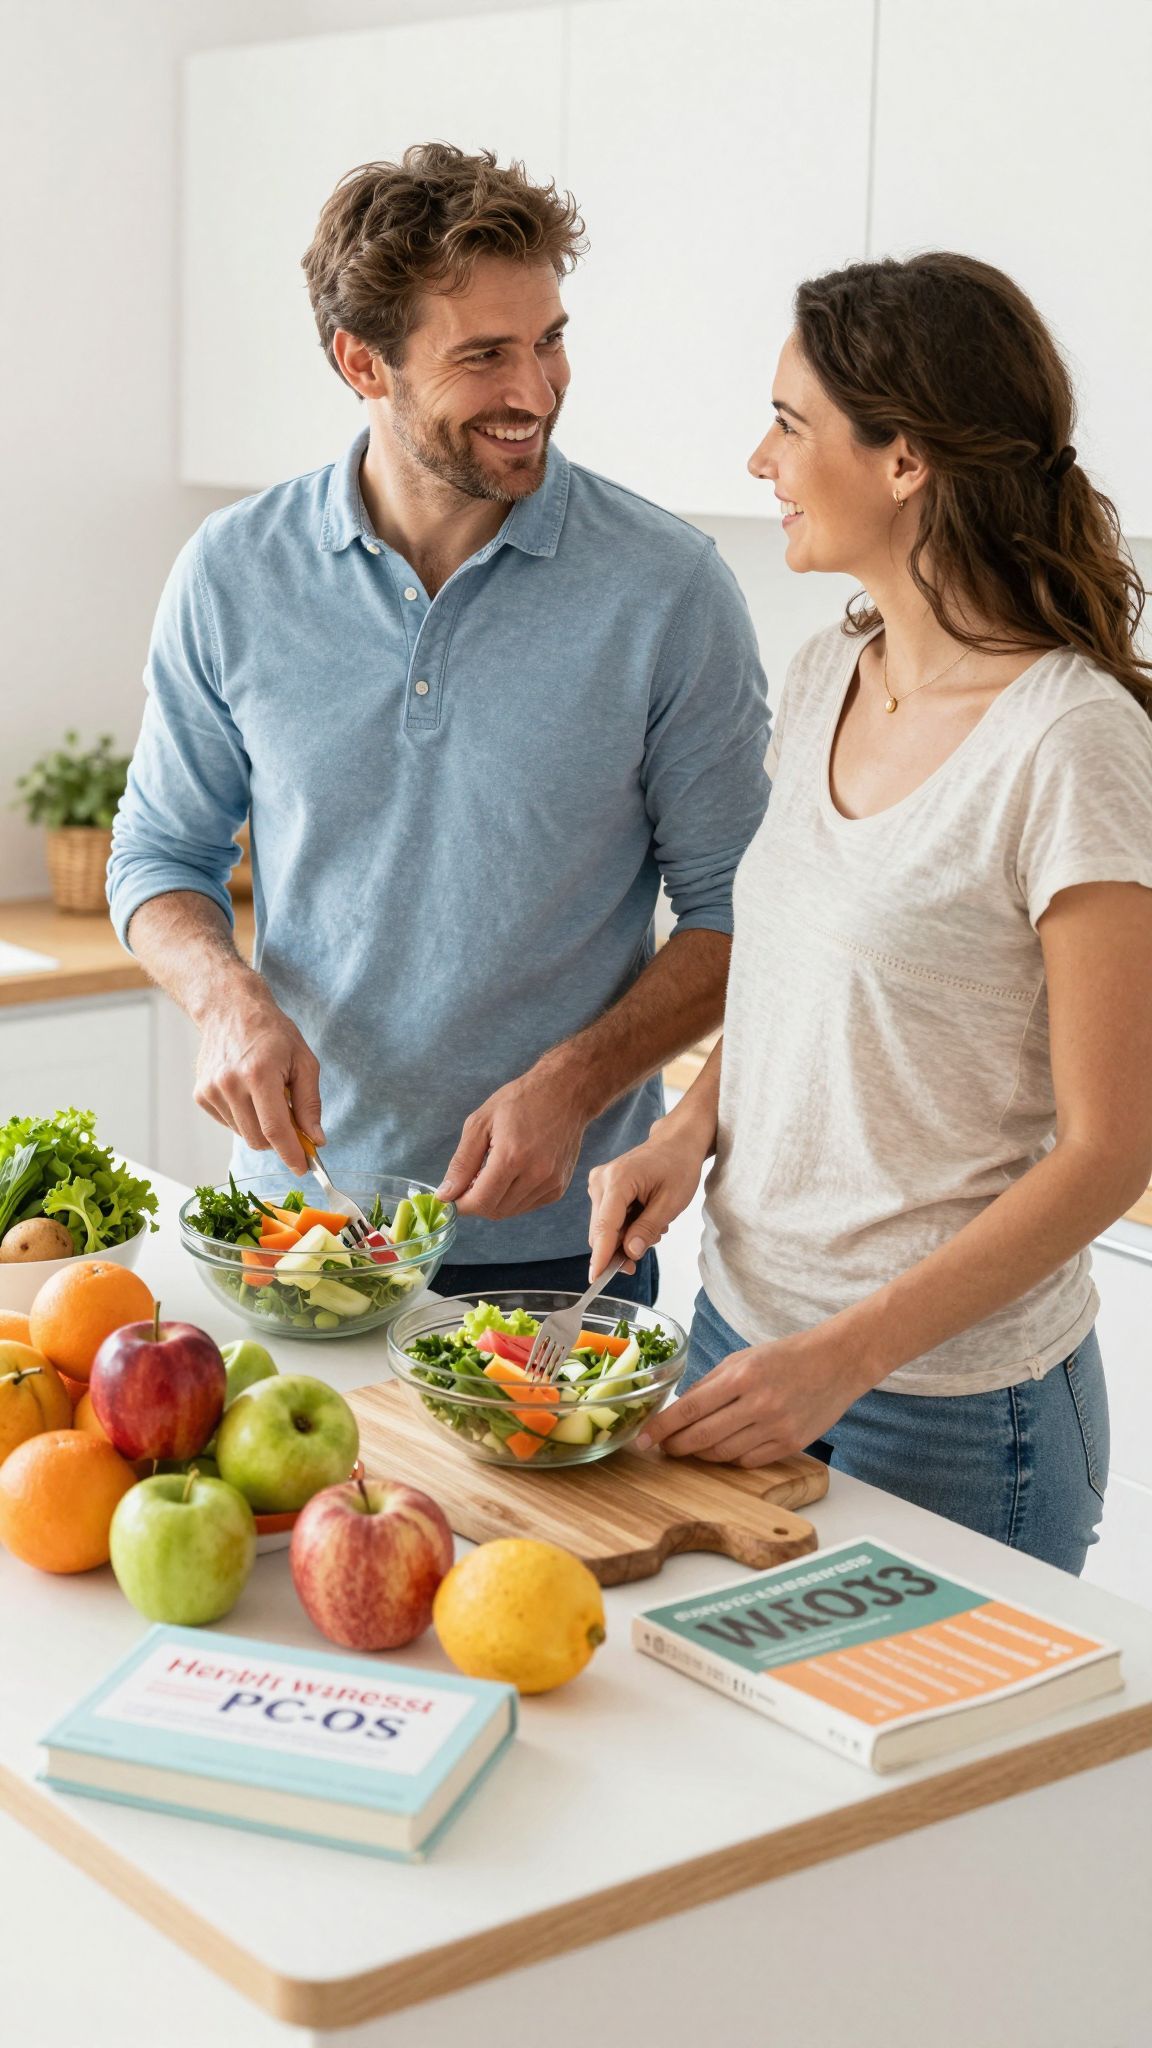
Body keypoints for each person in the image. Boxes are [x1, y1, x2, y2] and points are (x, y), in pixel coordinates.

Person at [108, 144, 769, 1304]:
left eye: (550, 338)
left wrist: (574, 1083)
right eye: (484, 355)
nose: (537, 391)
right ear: (360, 360)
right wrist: (226, 999)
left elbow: (743, 919)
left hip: (561, 1249)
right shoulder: (233, 572)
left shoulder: (668, 590)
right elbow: (159, 857)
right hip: (296, 1222)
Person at [589, 253, 1152, 1571]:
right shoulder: (829, 666)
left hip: (951, 1412)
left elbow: (1114, 1151)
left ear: (906, 460)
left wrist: (845, 1357)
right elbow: (790, 974)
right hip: (742, 1338)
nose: (758, 460)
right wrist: (691, 1125)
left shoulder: (1071, 743)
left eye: (791, 423)